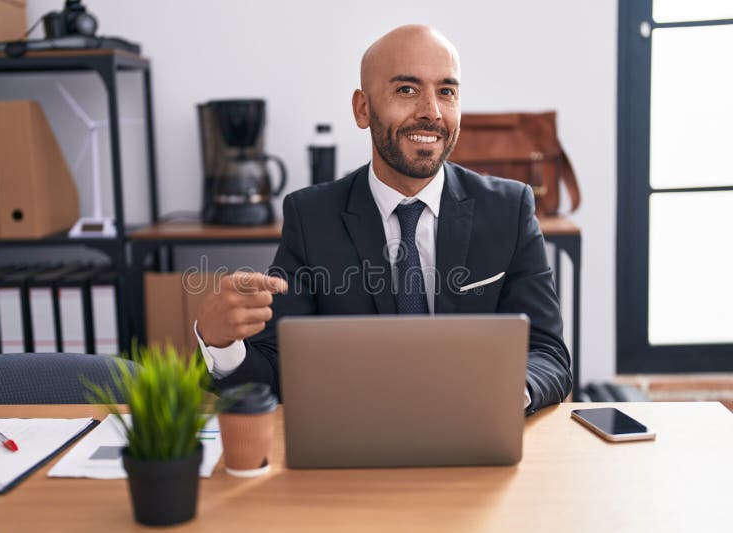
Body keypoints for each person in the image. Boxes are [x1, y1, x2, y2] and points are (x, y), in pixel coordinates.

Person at [194, 24, 571, 414]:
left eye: (447, 91)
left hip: (477, 435)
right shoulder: (310, 217)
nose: (431, 112)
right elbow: (276, 372)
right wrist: (221, 345)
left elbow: (547, 352)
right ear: (362, 108)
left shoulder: (510, 209)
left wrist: (511, 391)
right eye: (406, 90)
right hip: (359, 439)